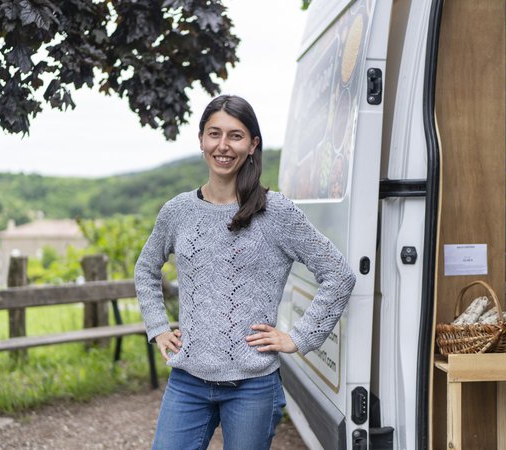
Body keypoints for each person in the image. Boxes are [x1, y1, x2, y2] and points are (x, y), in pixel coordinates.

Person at [134, 94, 356, 450]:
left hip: (253, 386)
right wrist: (158, 328)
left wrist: (299, 337)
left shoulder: (277, 213)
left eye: (235, 136)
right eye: (214, 134)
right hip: (187, 380)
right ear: (202, 140)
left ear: (252, 145)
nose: (223, 145)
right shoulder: (177, 212)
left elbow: (339, 274)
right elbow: (146, 269)